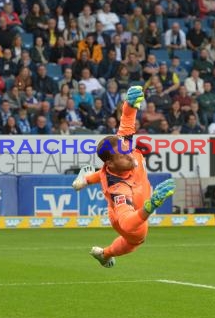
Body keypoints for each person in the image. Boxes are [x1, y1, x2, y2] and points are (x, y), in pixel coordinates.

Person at [72, 86, 176, 268]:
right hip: (126, 215)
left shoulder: (122, 147)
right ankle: (106, 254)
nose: (129, 155)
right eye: (122, 155)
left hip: (129, 183)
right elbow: (127, 224)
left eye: (126, 150)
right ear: (110, 163)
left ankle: (84, 180)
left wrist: (130, 104)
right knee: (138, 236)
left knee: (101, 174)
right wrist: (149, 207)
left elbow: (127, 121)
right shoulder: (117, 189)